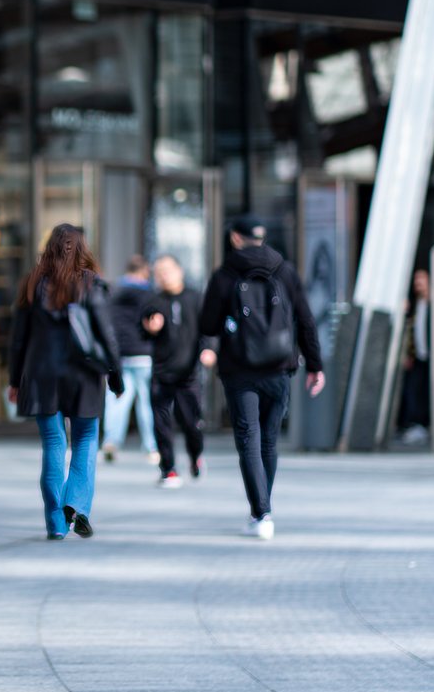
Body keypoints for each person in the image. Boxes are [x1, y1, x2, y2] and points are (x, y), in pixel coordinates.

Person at [199, 216, 325, 540]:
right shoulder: (285, 271)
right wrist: (315, 365)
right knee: (269, 440)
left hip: (239, 370)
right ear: (262, 237)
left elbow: (209, 323)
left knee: (248, 439)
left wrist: (212, 345)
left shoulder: (225, 274)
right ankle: (262, 510)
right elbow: (307, 320)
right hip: (279, 367)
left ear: (235, 239)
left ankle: (261, 512)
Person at [8, 223, 123, 540]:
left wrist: (15, 380)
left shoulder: (31, 284)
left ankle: (56, 524)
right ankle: (76, 504)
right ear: (82, 249)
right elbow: (106, 335)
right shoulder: (91, 284)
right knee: (86, 440)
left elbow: (18, 339)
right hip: (84, 376)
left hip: (42, 376)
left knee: (54, 446)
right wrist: (116, 374)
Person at [141, 255, 213, 489]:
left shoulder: (195, 297)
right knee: (161, 422)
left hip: (188, 373)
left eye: (168, 271)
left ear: (179, 271)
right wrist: (150, 327)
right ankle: (168, 469)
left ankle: (195, 455)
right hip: (162, 372)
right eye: (159, 272)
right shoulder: (154, 300)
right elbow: (141, 330)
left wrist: (209, 350)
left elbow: (208, 328)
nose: (164, 276)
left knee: (191, 422)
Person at [101, 256, 158, 464]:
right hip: (144, 353)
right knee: (147, 402)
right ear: (144, 271)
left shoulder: (113, 292)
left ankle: (111, 442)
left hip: (119, 355)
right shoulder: (149, 293)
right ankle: (152, 446)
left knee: (117, 400)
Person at [398, 268, 433, 445]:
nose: (418, 284)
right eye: (416, 280)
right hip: (418, 355)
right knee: (414, 391)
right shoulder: (414, 305)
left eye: (421, 280)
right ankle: (416, 424)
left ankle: (428, 424)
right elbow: (410, 331)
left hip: (433, 357)